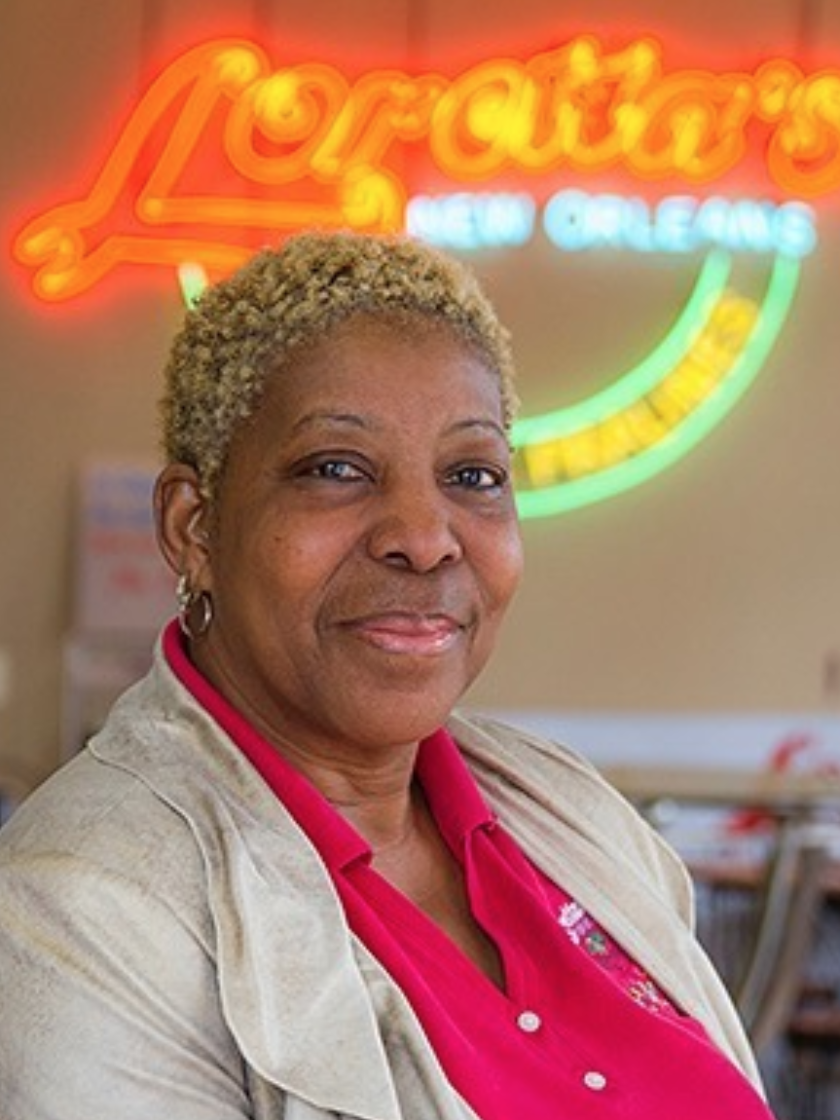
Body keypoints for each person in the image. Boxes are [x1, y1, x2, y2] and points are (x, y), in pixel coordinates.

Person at [0, 231, 777, 1120]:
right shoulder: (80, 907)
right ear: (195, 526)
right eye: (336, 469)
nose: (424, 536)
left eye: (472, 475)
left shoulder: (573, 813)